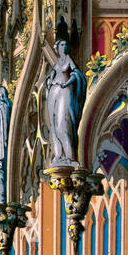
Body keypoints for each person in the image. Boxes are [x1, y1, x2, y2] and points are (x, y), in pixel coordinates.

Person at [44, 39, 85, 167]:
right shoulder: (57, 62)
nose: (64, 46)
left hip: (64, 90)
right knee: (54, 126)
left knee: (63, 124)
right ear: (57, 47)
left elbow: (76, 73)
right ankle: (58, 155)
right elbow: (52, 74)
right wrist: (50, 81)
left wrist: (66, 84)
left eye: (66, 44)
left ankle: (69, 157)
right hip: (54, 90)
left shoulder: (68, 59)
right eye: (62, 44)